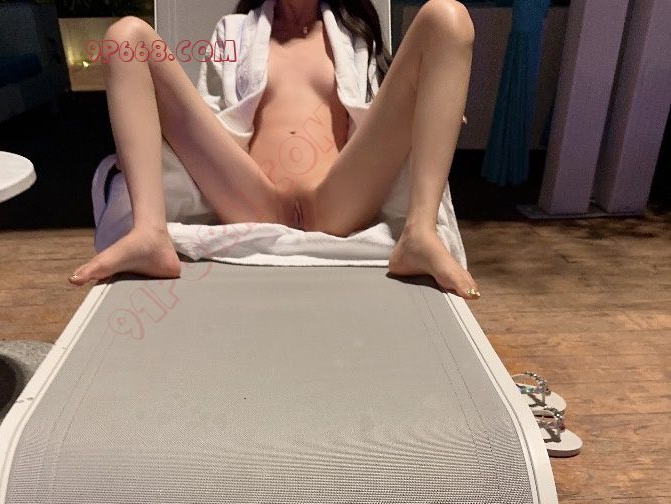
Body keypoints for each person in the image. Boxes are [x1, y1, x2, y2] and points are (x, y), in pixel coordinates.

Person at [69, 0, 480, 300]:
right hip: (251, 197)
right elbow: (218, 115)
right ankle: (149, 233)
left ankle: (419, 233)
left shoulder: (355, 34)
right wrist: (165, 140)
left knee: (447, 17)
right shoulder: (234, 31)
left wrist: (423, 117)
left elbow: (367, 114)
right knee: (126, 36)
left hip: (337, 201)